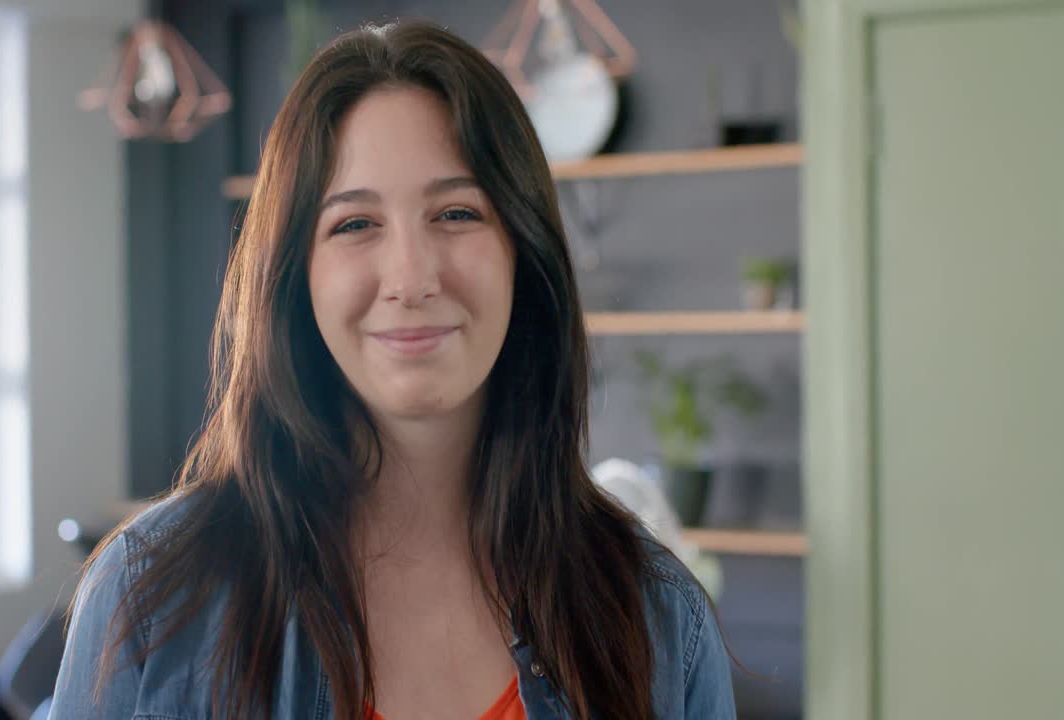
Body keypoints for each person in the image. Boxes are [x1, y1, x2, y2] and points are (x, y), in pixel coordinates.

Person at [48, 20, 734, 720]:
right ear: (295, 275)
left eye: (457, 212)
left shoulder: (655, 614)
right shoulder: (152, 598)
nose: (411, 277)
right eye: (354, 224)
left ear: (523, 253)